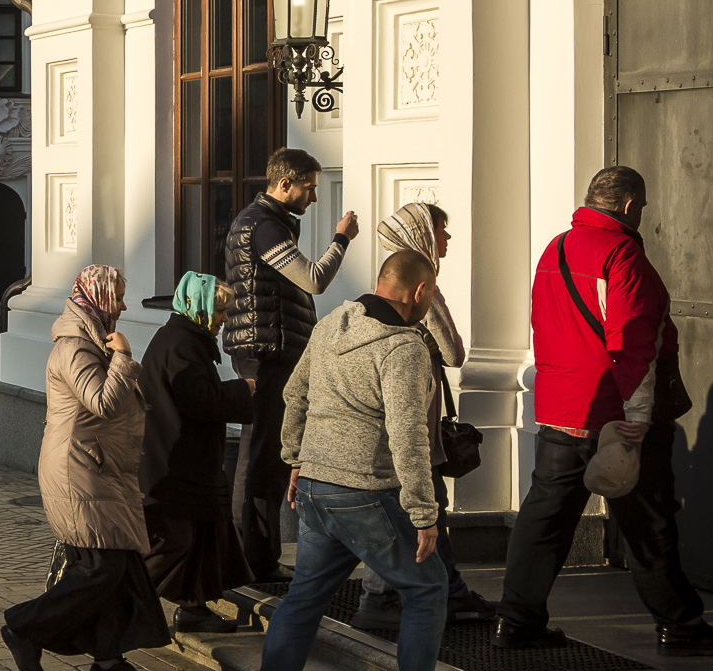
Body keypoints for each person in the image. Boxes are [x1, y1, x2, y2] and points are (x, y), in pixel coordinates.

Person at [234, 251, 475, 671]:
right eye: (432, 292)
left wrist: (294, 457)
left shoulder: (331, 325)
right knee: (428, 587)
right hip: (365, 490)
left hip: (317, 489)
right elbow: (407, 435)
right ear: (420, 291)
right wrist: (425, 513)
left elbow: (293, 394)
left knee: (302, 600)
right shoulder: (403, 349)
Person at [494, 166, 713, 655]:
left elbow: (545, 323)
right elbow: (634, 345)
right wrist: (639, 418)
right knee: (649, 520)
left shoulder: (555, 248)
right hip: (614, 413)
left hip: (562, 406)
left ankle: (517, 620)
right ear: (628, 206)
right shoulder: (623, 255)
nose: (642, 214)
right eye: (642, 206)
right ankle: (680, 625)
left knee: (544, 520)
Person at [0, 265, 170, 671]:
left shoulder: (90, 343)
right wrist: (125, 358)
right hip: (80, 473)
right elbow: (102, 403)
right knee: (101, 568)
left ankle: (109, 663)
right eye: (117, 297)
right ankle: (24, 627)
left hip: (95, 469)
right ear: (97, 297)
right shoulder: (76, 349)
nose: (125, 305)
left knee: (117, 567)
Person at [351, 203, 496, 629]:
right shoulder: (422, 288)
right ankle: (382, 599)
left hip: (391, 416)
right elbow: (454, 352)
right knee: (418, 508)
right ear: (423, 235)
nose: (447, 240)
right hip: (413, 416)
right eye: (440, 232)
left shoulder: (383, 283)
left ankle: (444, 592)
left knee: (421, 507)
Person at [222, 149, 358, 582]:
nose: (314, 196)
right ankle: (255, 560)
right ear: (285, 185)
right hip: (268, 354)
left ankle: (247, 557)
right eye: (309, 187)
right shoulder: (263, 227)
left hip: (265, 350)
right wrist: (342, 239)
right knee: (265, 457)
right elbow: (314, 279)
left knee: (257, 454)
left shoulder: (264, 222)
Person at [137, 271, 254, 634]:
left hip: (188, 462)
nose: (223, 320)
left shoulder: (185, 338)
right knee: (175, 541)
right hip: (174, 466)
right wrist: (243, 390)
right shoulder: (182, 343)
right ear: (200, 306)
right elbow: (199, 400)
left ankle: (194, 607)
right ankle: (119, 598)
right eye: (220, 312)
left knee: (203, 533)